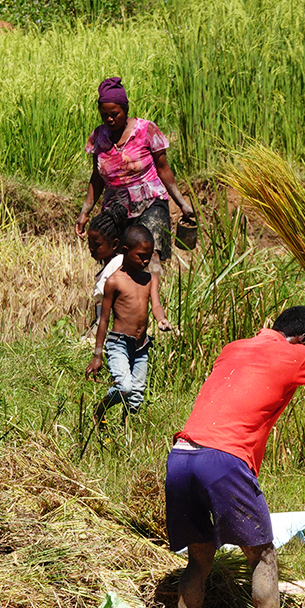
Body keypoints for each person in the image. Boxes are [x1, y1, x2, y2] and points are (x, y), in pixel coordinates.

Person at [168, 290, 305, 608]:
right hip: (223, 460)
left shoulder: (234, 348)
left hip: (181, 456)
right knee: (262, 557)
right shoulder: (296, 354)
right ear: (302, 341)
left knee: (198, 560)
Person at [76, 76, 196, 278]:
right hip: (116, 208)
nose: (110, 119)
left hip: (150, 202)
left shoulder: (146, 130)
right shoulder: (99, 136)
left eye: (115, 114)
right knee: (118, 263)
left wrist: (182, 203)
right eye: (104, 115)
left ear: (126, 109)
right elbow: (96, 178)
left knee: (150, 257)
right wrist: (85, 212)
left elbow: (163, 169)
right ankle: (123, 306)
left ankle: (156, 303)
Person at [85, 224, 170, 424]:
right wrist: (97, 355)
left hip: (141, 346)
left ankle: (126, 433)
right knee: (124, 388)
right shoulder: (115, 281)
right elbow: (104, 319)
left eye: (149, 255)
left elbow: (156, 305)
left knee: (136, 398)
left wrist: (161, 319)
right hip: (118, 344)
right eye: (141, 255)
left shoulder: (150, 279)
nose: (146, 260)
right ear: (125, 251)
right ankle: (100, 410)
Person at [85, 205, 127, 332]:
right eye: (89, 242)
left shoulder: (118, 265)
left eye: (97, 245)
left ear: (114, 244)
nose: (91, 248)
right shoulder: (109, 265)